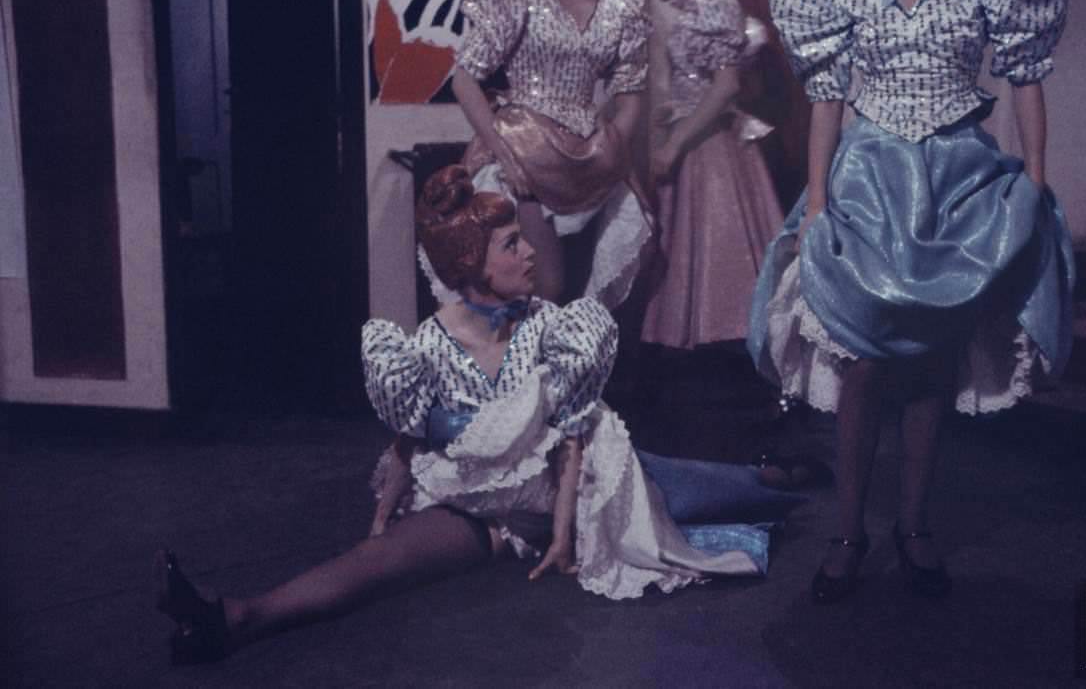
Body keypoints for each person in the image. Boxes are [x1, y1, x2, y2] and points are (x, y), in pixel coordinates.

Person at [155, 165, 804, 664]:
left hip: (592, 488)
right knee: (373, 561)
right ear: (471, 264)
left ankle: (778, 472)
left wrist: (560, 536)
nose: (529, 255)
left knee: (734, 491)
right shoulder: (430, 342)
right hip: (481, 512)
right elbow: (413, 429)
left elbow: (578, 436)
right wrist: (386, 508)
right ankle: (234, 617)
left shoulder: (551, 327)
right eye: (511, 245)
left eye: (522, 241)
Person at [748, 0, 1073, 604]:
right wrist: (820, 202)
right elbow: (827, 99)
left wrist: (1035, 177)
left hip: (957, 180)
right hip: (871, 180)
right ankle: (849, 529)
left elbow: (1026, 75)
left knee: (931, 360)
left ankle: (916, 524)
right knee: (863, 359)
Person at [451, 0, 651, 309]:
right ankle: (522, 376)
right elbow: (464, 79)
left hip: (591, 161)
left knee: (605, 287)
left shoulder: (619, 12)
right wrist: (505, 154)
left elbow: (631, 93)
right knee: (544, 285)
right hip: (524, 155)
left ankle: (568, 375)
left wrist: (613, 143)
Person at [637, 0, 785, 351]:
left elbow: (725, 88)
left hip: (711, 145)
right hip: (695, 138)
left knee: (721, 246)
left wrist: (676, 141)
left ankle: (729, 351)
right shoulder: (693, 12)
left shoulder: (710, 8)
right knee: (686, 245)